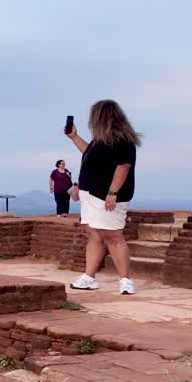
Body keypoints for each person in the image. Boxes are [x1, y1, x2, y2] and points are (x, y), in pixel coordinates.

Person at [65, 99, 142, 295]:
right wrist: (74, 137)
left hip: (106, 196)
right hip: (90, 195)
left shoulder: (122, 140)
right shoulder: (100, 140)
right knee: (94, 234)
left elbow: (124, 166)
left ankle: (125, 280)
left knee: (113, 236)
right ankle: (89, 277)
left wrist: (112, 193)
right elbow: (88, 154)